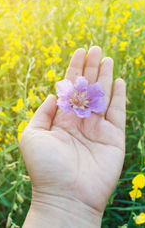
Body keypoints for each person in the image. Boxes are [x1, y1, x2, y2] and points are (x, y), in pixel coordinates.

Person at [19, 46, 126, 227]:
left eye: (80, 99)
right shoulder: (66, 100)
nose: (78, 100)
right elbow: (64, 100)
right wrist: (59, 201)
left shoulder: (88, 105)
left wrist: (58, 204)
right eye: (76, 98)